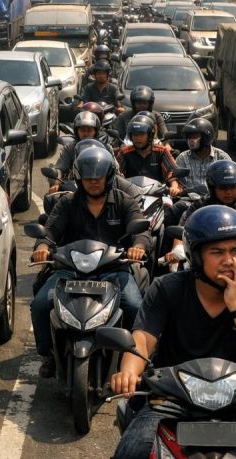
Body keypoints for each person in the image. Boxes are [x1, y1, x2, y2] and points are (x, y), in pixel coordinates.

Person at [110, 206, 236, 459]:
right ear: (195, 257)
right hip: (173, 401)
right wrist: (129, 372)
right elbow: (142, 339)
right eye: (217, 252)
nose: (230, 260)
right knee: (129, 452)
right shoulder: (166, 288)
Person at [31, 147, 149, 378]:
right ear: (79, 178)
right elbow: (49, 232)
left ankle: (132, 358)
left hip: (113, 270)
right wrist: (43, 248)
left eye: (99, 178)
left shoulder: (124, 201)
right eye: (88, 178)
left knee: (136, 306)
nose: (93, 183)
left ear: (109, 177)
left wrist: (139, 247)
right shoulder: (66, 203)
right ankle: (49, 355)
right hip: (69, 271)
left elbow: (140, 228)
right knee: (39, 304)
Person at [164, 159, 236, 264]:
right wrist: (177, 250)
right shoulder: (199, 206)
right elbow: (183, 229)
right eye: (223, 188)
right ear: (212, 188)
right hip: (206, 260)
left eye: (233, 187)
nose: (228, 192)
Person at [49, 112, 115, 191]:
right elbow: (60, 168)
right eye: (83, 130)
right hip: (74, 188)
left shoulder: (106, 148)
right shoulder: (70, 148)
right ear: (77, 131)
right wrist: (56, 183)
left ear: (96, 131)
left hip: (102, 186)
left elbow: (115, 171)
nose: (86, 133)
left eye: (89, 130)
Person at [117, 116, 183, 197]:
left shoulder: (161, 151)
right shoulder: (124, 152)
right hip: (131, 196)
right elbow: (117, 175)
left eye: (141, 134)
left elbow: (172, 174)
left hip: (158, 195)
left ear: (150, 135)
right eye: (135, 134)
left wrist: (174, 187)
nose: (138, 138)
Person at [173, 117, 229, 190]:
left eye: (195, 136)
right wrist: (174, 187)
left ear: (206, 137)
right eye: (189, 137)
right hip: (189, 199)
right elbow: (174, 177)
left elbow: (231, 178)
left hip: (214, 199)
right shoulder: (182, 158)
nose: (191, 140)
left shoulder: (222, 157)